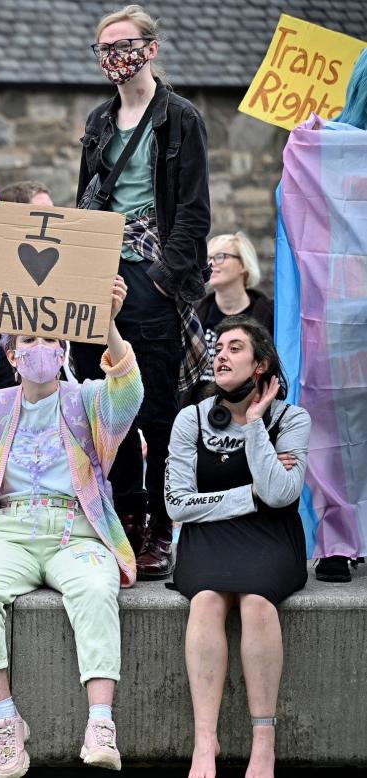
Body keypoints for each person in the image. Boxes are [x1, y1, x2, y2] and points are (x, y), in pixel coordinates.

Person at [0, 277, 141, 777]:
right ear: (12, 355)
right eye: (26, 341)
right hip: (12, 534)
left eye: (47, 339)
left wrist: (107, 325)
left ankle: (100, 723)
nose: (38, 348)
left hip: (76, 531)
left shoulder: (86, 401)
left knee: (96, 588)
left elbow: (128, 390)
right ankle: (5, 721)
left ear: (63, 349)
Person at [69, 4, 211, 579]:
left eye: (123, 46)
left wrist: (157, 280)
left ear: (150, 49)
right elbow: (86, 198)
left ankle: (158, 526)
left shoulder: (180, 119)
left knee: (154, 409)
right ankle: (123, 517)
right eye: (103, 50)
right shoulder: (100, 120)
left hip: (150, 275)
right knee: (106, 401)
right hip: (98, 271)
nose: (113, 58)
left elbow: (193, 214)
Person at [164, 316, 310, 778]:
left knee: (257, 605)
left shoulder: (291, 417)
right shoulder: (192, 417)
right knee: (205, 601)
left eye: (235, 348)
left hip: (271, 539)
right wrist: (247, 497)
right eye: (218, 348)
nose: (220, 355)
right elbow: (177, 504)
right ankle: (205, 741)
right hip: (208, 538)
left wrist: (253, 427)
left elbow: (283, 495)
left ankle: (263, 742)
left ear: (261, 363)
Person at [274, 50, 367, 585]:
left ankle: (338, 543)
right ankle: (337, 541)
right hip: (340, 320)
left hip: (336, 320)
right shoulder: (325, 149)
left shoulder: (324, 150)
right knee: (338, 429)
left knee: (338, 430)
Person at [194, 232, 272, 386]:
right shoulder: (195, 313)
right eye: (207, 258)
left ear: (243, 264)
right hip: (199, 407)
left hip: (251, 405)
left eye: (220, 256)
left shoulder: (269, 315)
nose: (211, 264)